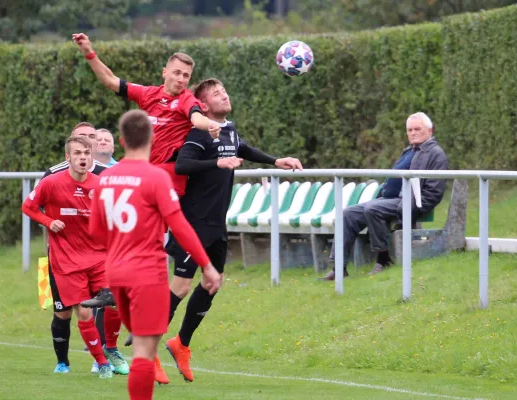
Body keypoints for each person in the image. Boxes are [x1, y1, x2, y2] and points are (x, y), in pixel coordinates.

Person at [163, 78, 302, 382]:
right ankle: (147, 349)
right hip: (193, 223)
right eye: (216, 94)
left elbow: (243, 148)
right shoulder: (199, 133)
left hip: (216, 223)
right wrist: (218, 163)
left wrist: (275, 161)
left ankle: (181, 344)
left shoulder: (229, 129)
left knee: (213, 284)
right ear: (203, 105)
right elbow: (183, 165)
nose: (224, 95)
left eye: (224, 90)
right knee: (182, 286)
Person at [89, 109, 221, 398]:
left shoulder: (104, 180)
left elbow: (97, 233)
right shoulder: (156, 178)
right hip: (146, 274)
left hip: (116, 274)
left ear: (122, 142)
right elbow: (181, 228)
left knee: (140, 351)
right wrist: (207, 266)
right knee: (144, 354)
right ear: (153, 138)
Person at [23, 136, 129, 378]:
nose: (83, 157)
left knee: (115, 301)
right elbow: (28, 207)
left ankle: (110, 349)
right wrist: (49, 221)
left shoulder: (101, 184)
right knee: (83, 312)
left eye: (86, 153)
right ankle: (101, 363)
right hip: (67, 260)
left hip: (99, 256)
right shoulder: (51, 183)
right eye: (78, 153)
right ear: (67, 157)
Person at [71, 33, 221, 196]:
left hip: (167, 175)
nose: (181, 79)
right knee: (104, 191)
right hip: (142, 170)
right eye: (176, 73)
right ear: (165, 72)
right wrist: (88, 52)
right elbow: (110, 80)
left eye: (186, 76)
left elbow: (197, 119)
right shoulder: (148, 94)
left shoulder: (187, 100)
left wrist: (210, 125)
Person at [319, 112, 448, 280]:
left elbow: (434, 193)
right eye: (409, 130)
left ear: (430, 131)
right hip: (389, 199)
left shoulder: (436, 154)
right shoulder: (409, 151)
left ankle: (383, 259)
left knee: (373, 209)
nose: (413, 133)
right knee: (348, 214)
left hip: (409, 202)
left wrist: (409, 206)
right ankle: (338, 268)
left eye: (417, 129)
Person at [38, 122, 114, 374]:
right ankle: (62, 362)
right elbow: (37, 208)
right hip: (63, 257)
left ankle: (102, 358)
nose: (88, 143)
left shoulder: (106, 175)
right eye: (81, 139)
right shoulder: (52, 175)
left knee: (104, 303)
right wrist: (53, 226)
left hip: (99, 256)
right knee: (63, 312)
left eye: (92, 138)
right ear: (71, 147)